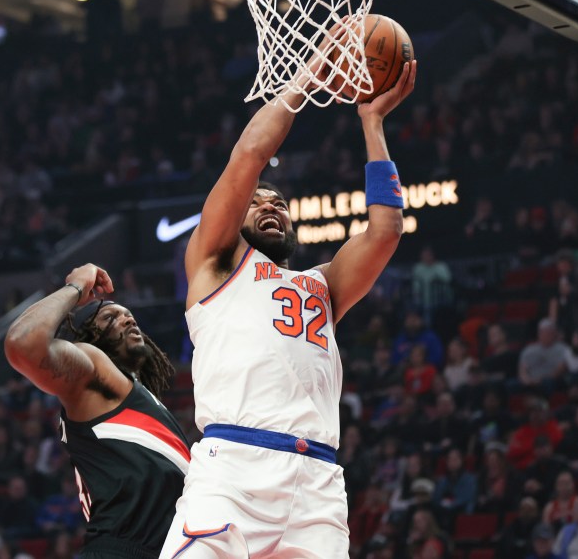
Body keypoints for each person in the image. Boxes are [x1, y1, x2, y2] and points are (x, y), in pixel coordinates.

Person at [159, 45, 416, 557]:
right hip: (234, 469)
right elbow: (249, 157)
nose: (270, 204)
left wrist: (372, 124)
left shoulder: (323, 284)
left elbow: (385, 231)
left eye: (279, 203)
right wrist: (307, 78)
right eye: (258, 201)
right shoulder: (213, 264)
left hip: (317, 486)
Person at [3, 263, 190, 558]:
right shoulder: (93, 366)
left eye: (129, 316)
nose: (127, 320)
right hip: (124, 548)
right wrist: (75, 288)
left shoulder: (135, 396)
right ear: (88, 338)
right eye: (110, 317)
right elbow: (22, 344)